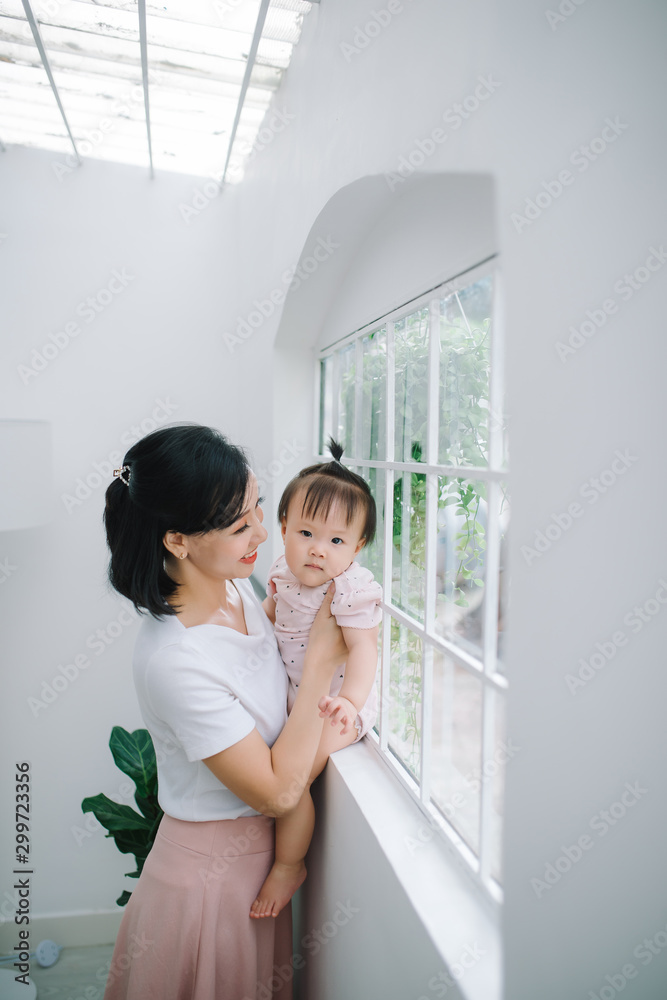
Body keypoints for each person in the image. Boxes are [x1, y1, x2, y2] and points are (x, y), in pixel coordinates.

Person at [101, 424, 347, 1000]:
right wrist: (320, 664)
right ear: (178, 541)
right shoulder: (176, 660)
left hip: (256, 867)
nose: (264, 531)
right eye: (241, 526)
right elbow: (276, 795)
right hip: (208, 879)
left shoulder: (236, 590)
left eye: (258, 507)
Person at [250, 440, 382, 920]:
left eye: (336, 541)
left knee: (292, 784)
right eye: (306, 532)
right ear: (283, 529)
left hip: (338, 705)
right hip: (298, 694)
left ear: (357, 546)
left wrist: (349, 700)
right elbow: (272, 614)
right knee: (278, 770)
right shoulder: (284, 572)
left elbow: (365, 649)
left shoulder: (350, 589)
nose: (317, 550)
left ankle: (290, 864)